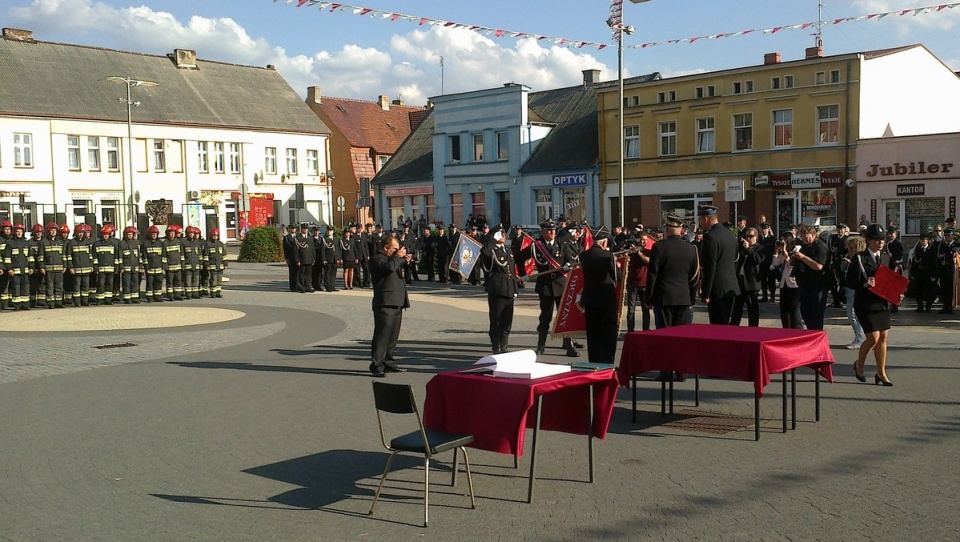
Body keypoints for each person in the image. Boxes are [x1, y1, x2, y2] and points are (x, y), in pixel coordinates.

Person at [847, 224, 899, 386]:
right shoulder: (859, 258)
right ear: (868, 240)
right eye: (876, 239)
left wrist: (898, 293)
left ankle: (881, 372)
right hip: (865, 303)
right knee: (873, 338)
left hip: (881, 302)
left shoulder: (885, 257)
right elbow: (848, 281)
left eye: (882, 239)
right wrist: (863, 284)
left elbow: (890, 281)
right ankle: (859, 365)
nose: (880, 242)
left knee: (883, 337)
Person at [532, 219, 578, 357]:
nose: (552, 232)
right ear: (543, 231)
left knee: (564, 316)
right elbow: (521, 257)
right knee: (545, 317)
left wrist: (568, 265)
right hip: (545, 286)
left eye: (554, 230)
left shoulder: (562, 244)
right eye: (549, 230)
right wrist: (524, 274)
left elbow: (572, 260)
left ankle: (569, 345)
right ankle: (541, 345)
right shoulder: (537, 245)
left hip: (560, 285)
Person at [646, 215, 700, 328]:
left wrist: (649, 298)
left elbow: (652, 274)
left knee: (664, 335)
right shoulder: (691, 249)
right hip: (683, 298)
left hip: (663, 298)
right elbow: (695, 277)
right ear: (682, 230)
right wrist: (691, 299)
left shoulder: (659, 247)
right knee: (679, 335)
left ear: (666, 229)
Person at [369, 235, 411, 377]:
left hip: (397, 301)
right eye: (394, 248)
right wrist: (398, 258)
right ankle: (377, 365)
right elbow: (389, 267)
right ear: (386, 248)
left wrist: (404, 260)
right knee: (382, 335)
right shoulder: (377, 258)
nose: (396, 251)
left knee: (392, 336)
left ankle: (389, 362)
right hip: (385, 302)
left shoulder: (392, 259)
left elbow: (396, 268)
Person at [579, 227, 619, 364]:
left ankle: (594, 363)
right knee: (608, 335)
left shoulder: (584, 255)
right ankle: (607, 364)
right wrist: (617, 264)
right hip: (606, 301)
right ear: (604, 243)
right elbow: (616, 276)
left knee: (593, 335)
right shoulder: (609, 256)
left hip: (590, 300)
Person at [698, 205, 739, 324]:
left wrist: (706, 292)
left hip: (717, 290)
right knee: (726, 324)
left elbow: (710, 266)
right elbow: (735, 258)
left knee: (718, 327)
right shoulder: (729, 234)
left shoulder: (711, 236)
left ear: (705, 219)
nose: (700, 223)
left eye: (700, 219)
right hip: (731, 285)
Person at [481, 226, 519, 354]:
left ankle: (504, 345)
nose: (503, 235)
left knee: (507, 319)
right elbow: (484, 252)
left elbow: (512, 270)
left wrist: (515, 289)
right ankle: (496, 346)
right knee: (496, 318)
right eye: (500, 233)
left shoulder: (508, 249)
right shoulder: (491, 250)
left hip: (509, 288)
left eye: (503, 233)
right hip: (497, 288)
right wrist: (492, 240)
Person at [791, 224, 830, 330]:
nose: (803, 238)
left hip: (817, 287)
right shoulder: (803, 246)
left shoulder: (820, 247)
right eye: (801, 236)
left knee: (815, 318)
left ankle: (816, 341)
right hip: (804, 286)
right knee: (806, 315)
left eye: (805, 236)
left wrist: (803, 257)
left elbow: (818, 266)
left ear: (813, 235)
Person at [731, 227, 764, 327]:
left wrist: (748, 249)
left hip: (751, 282)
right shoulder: (742, 248)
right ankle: (733, 326)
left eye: (751, 236)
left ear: (756, 237)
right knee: (737, 306)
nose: (748, 238)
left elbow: (758, 260)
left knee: (752, 306)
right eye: (747, 236)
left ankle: (753, 328)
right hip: (740, 280)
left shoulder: (760, 248)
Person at [625, 226, 654, 332]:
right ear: (637, 240)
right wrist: (629, 250)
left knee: (646, 309)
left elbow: (649, 261)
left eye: (646, 240)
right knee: (631, 309)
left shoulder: (648, 252)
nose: (644, 242)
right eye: (642, 240)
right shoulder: (630, 252)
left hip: (645, 285)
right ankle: (630, 330)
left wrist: (639, 253)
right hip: (632, 284)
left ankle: (645, 330)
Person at [840, 235, 867, 349]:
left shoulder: (860, 258)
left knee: (854, 315)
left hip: (857, 290)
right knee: (851, 315)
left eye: (852, 248)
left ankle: (860, 338)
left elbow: (862, 275)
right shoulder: (851, 258)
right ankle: (858, 337)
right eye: (849, 248)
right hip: (850, 289)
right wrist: (845, 264)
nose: (850, 251)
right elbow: (842, 269)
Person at [771, 233, 802, 329]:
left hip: (794, 283)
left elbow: (791, 264)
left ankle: (796, 329)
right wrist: (776, 252)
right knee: (784, 308)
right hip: (784, 283)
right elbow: (775, 263)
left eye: (783, 240)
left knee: (794, 308)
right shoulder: (781, 252)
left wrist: (785, 251)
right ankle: (786, 328)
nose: (782, 242)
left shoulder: (796, 249)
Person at [2, 223, 33, 310]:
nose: (19, 233)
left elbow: (30, 257)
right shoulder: (10, 243)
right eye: (17, 231)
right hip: (15, 271)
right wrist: (9, 269)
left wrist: (31, 267)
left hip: (25, 270)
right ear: (14, 232)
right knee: (16, 288)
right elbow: (7, 258)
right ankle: (17, 305)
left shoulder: (26, 243)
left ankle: (25, 304)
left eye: (21, 231)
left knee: (25, 288)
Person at [38, 222, 67, 309]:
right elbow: (40, 256)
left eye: (54, 230)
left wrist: (65, 265)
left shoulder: (60, 242)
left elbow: (63, 255)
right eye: (51, 230)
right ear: (48, 231)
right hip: (49, 269)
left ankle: (59, 302)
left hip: (59, 268)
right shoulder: (43, 242)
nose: (53, 232)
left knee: (59, 286)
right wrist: (42, 267)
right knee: (50, 286)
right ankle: (51, 303)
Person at [66, 224, 95, 307]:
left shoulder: (87, 242)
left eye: (82, 232)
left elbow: (90, 255)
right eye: (79, 232)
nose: (81, 234)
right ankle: (77, 302)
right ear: (76, 233)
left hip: (86, 268)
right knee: (76, 286)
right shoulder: (71, 243)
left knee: (86, 286)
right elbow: (69, 256)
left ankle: (85, 302)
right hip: (76, 269)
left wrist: (91, 265)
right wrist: (70, 267)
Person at [909, 232, 937, 312]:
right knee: (918, 290)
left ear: (928, 241)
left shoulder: (931, 250)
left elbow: (934, 263)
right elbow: (914, 262)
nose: (923, 241)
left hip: (928, 272)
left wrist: (934, 275)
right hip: (919, 273)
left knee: (929, 291)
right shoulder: (917, 250)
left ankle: (928, 307)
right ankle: (920, 306)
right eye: (921, 240)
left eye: (924, 240)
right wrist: (912, 274)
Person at [92, 225, 119, 305]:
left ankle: (108, 299)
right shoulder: (96, 244)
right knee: (100, 283)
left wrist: (116, 267)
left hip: (110, 268)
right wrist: (95, 268)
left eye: (107, 234)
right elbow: (94, 257)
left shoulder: (113, 244)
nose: (106, 235)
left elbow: (116, 257)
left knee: (110, 284)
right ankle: (100, 299)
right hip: (101, 269)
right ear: (101, 234)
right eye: (104, 234)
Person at [933, 228, 957, 314]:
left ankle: (950, 306)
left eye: (949, 235)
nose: (947, 237)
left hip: (952, 270)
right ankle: (945, 306)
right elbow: (938, 255)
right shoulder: (942, 245)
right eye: (946, 235)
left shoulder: (956, 245)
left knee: (951, 289)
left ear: (953, 236)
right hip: (944, 269)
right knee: (944, 288)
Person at [118, 226, 142, 304]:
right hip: (126, 267)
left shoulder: (136, 243)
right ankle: (127, 298)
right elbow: (120, 256)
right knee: (126, 283)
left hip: (135, 267)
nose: (130, 235)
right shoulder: (122, 243)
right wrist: (121, 266)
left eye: (131, 234)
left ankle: (135, 298)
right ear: (125, 235)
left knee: (135, 282)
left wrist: (140, 265)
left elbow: (139, 255)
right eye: (128, 234)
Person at [162, 225, 185, 301]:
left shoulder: (178, 242)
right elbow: (164, 256)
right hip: (169, 267)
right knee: (170, 282)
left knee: (178, 282)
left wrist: (183, 264)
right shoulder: (165, 243)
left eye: (173, 233)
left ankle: (177, 295)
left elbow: (181, 254)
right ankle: (170, 296)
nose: (171, 234)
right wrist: (165, 267)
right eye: (170, 233)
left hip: (178, 266)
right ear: (168, 234)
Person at [885, 227, 904, 313]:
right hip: (891, 266)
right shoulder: (888, 244)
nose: (890, 235)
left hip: (897, 266)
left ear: (896, 234)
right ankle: (892, 303)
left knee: (897, 286)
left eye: (892, 234)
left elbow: (900, 255)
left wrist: (896, 261)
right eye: (889, 234)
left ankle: (895, 304)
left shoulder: (898, 244)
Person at [758, 222, 777, 303]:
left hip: (769, 262)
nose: (764, 230)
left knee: (771, 280)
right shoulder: (759, 238)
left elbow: (775, 251)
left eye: (765, 229)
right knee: (763, 280)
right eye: (763, 229)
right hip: (761, 263)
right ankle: (764, 296)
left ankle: (772, 296)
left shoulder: (772, 239)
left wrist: (773, 262)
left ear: (768, 229)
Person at [294, 223, 316, 293]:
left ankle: (308, 286)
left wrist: (313, 258)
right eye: (304, 228)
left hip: (309, 259)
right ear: (301, 229)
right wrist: (297, 260)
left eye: (306, 228)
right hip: (302, 259)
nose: (306, 230)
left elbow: (312, 249)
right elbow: (296, 250)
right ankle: (301, 287)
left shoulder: (310, 238)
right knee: (301, 274)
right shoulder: (298, 238)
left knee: (308, 274)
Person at [319, 227, 339, 292]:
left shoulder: (336, 240)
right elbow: (322, 250)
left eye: (330, 231)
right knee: (327, 273)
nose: (329, 232)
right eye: (328, 231)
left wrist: (339, 258)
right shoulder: (324, 239)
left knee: (333, 273)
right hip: (328, 259)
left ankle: (332, 286)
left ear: (333, 231)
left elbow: (338, 250)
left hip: (334, 259)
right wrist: (324, 259)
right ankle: (328, 286)